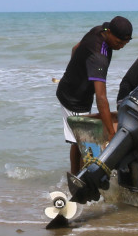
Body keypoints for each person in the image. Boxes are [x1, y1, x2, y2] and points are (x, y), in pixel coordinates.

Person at [56, 16, 132, 175]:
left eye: (125, 43)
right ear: (109, 32)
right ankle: (76, 177)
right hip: (73, 98)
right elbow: (101, 97)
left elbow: (76, 48)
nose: (121, 47)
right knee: (79, 139)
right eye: (118, 43)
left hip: (82, 93)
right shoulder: (99, 57)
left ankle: (82, 173)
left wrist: (74, 71)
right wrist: (112, 134)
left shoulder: (99, 30)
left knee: (82, 138)